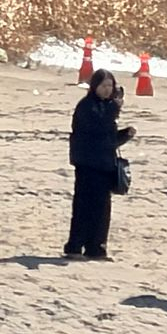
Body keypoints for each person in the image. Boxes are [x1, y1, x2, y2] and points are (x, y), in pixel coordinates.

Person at [65, 69, 135, 260]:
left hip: (104, 164)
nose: (107, 90)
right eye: (103, 86)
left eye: (109, 86)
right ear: (94, 86)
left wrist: (125, 135)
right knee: (84, 207)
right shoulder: (87, 106)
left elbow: (108, 139)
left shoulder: (106, 107)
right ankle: (74, 246)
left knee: (102, 209)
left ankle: (96, 248)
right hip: (87, 164)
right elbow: (95, 129)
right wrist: (115, 108)